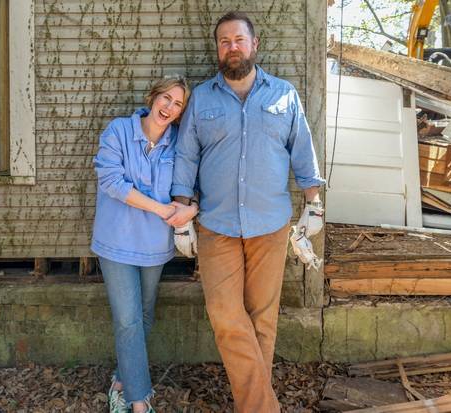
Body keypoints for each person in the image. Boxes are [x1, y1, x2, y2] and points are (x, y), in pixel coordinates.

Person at [167, 11, 325, 413]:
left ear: (255, 45)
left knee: (262, 320)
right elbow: (186, 157)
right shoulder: (202, 97)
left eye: (239, 40)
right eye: (224, 41)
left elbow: (302, 152)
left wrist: (314, 207)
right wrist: (182, 217)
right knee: (225, 316)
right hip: (216, 225)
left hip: (270, 224)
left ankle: (250, 406)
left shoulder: (284, 94)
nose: (232, 47)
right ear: (217, 50)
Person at [92, 75, 192, 413]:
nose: (169, 108)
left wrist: (190, 209)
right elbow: (111, 182)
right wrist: (161, 208)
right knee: (127, 320)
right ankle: (138, 400)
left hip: (154, 246)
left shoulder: (178, 144)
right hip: (116, 243)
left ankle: (121, 378)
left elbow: (194, 184)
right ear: (153, 98)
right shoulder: (118, 131)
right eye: (166, 98)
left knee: (144, 316)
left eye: (178, 104)